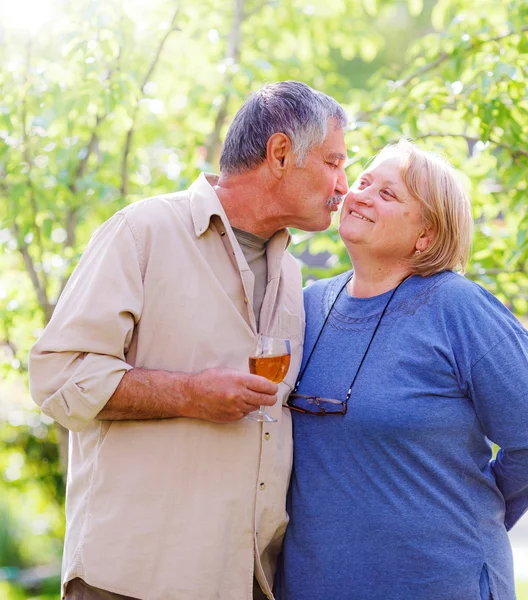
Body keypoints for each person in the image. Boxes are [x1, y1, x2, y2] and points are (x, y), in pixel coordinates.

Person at [28, 81, 349, 600]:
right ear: (282, 153)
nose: (343, 184)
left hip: (244, 584)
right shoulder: (142, 231)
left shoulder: (291, 273)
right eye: (334, 162)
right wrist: (189, 393)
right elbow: (58, 376)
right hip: (131, 582)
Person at [278, 139, 528, 600]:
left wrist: (470, 512)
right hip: (313, 584)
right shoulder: (307, 305)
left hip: (439, 582)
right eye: (364, 182)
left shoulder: (459, 308)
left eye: (389, 194)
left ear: (426, 236)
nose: (361, 195)